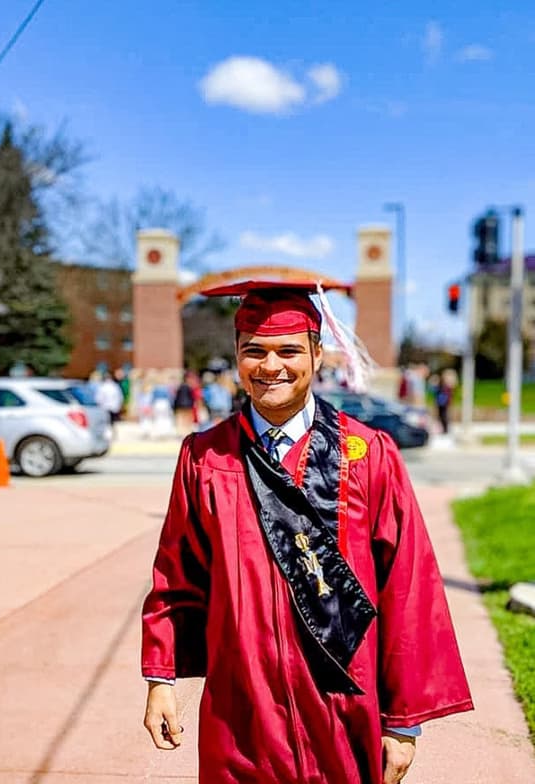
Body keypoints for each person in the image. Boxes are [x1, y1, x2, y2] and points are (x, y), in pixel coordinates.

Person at [141, 281, 473, 784]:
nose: (271, 366)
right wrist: (161, 678)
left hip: (343, 707)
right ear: (236, 356)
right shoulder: (206, 458)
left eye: (289, 350)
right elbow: (177, 576)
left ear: (317, 354)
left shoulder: (368, 455)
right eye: (254, 351)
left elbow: (407, 585)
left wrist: (404, 723)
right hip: (242, 711)